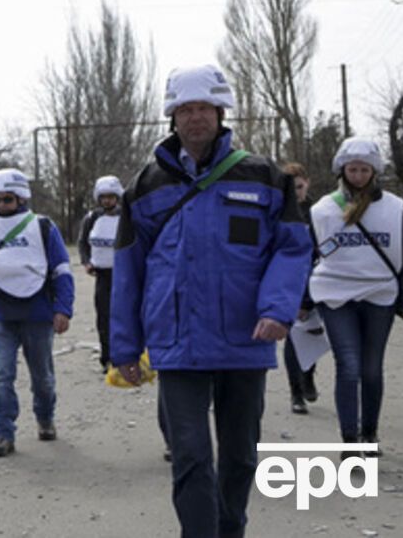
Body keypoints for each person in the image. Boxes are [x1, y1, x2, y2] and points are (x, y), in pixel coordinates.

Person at [110, 64, 312, 538]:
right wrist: (123, 348)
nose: (195, 117)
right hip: (176, 341)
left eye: (203, 108)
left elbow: (292, 247)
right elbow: (128, 270)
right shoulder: (144, 186)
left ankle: (231, 528)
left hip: (246, 336)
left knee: (240, 455)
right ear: (172, 117)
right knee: (190, 454)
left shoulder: (264, 176)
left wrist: (277, 309)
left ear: (220, 112)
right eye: (185, 109)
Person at [0, 168, 74, 458]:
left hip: (38, 311)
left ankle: (45, 417)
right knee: (1, 374)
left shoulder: (43, 226)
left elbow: (61, 269)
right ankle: (3, 433)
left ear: (22, 198)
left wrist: (63, 308)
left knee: (43, 377)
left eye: (7, 199)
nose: (1, 205)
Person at [307, 137, 403, 459]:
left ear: (374, 171)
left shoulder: (396, 209)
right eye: (353, 169)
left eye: (364, 169)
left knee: (372, 368)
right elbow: (311, 254)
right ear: (343, 170)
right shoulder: (323, 210)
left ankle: (370, 432)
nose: (358, 175)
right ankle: (349, 442)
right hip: (335, 295)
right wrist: (303, 301)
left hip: (380, 293)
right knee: (348, 365)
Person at [281, 162, 319, 414]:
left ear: (307, 183)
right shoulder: (279, 212)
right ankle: (296, 392)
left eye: (299, 186)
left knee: (313, 335)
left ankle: (308, 375)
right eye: (290, 187)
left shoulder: (319, 212)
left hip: (317, 281)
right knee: (293, 338)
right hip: (289, 282)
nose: (296, 192)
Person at [78, 175, 123, 374]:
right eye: (103, 197)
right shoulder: (92, 218)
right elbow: (82, 242)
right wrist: (86, 262)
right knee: (103, 317)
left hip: (123, 275)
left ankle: (128, 356)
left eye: (111, 197)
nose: (107, 201)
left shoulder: (127, 217)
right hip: (102, 275)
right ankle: (107, 358)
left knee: (125, 315)